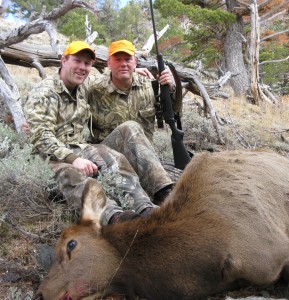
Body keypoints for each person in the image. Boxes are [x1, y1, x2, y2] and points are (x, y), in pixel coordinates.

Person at [23, 41, 171, 226]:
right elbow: (41, 136)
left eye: (87, 64)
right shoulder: (44, 93)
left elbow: (113, 79)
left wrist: (133, 73)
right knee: (72, 175)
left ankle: (146, 207)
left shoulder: (84, 85)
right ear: (63, 60)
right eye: (77, 61)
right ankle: (115, 219)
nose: (82, 68)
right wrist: (72, 159)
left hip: (80, 148)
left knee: (114, 158)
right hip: (50, 157)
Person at [88, 40, 175, 202]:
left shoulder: (151, 85)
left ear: (135, 62)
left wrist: (171, 88)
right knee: (130, 127)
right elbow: (67, 86)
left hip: (142, 159)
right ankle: (165, 194)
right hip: (106, 157)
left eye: (127, 59)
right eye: (117, 59)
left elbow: (174, 114)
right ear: (108, 63)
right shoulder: (93, 87)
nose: (123, 64)